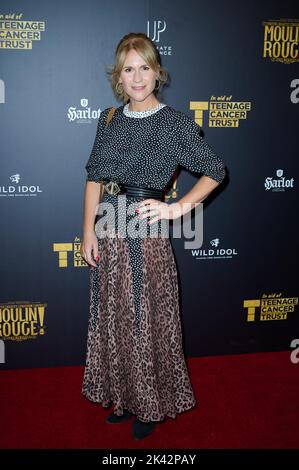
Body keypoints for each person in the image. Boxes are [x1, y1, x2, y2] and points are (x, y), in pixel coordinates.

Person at [81, 32, 226, 441]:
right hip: (108, 229)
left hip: (144, 235)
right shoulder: (108, 119)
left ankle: (149, 404)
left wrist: (176, 208)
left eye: (144, 67)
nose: (137, 77)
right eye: (129, 69)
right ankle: (122, 396)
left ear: (156, 71)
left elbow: (216, 170)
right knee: (113, 317)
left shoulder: (174, 123)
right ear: (118, 77)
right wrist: (86, 231)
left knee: (144, 319)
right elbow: (94, 178)